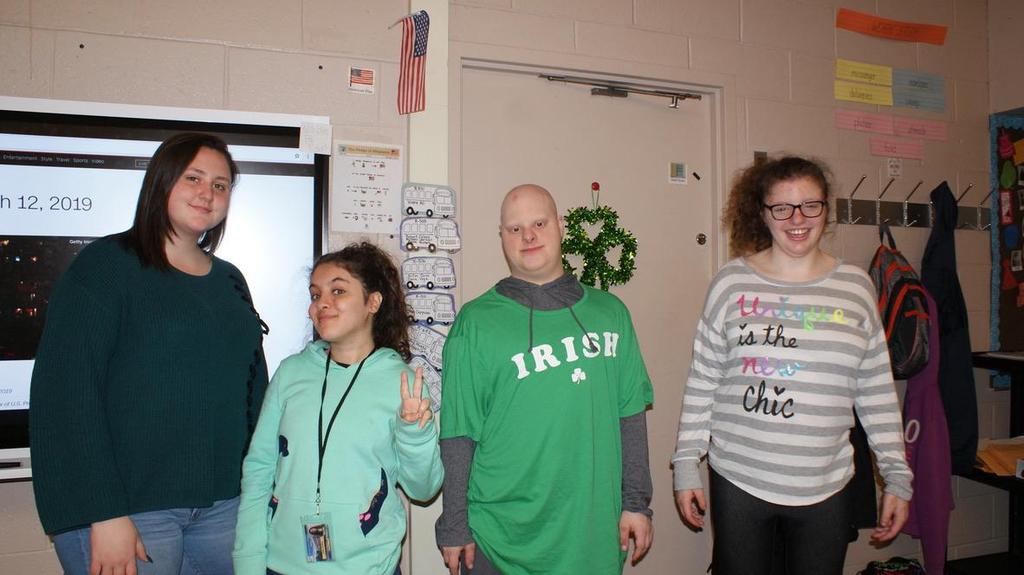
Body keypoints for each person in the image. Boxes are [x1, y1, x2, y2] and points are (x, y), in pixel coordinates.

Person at [30, 133, 270, 575]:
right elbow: (66, 396)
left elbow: (253, 392)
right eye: (193, 178)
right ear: (161, 181)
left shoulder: (230, 280)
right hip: (128, 510)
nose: (207, 193)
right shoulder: (104, 267)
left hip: (224, 506)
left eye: (220, 185)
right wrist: (103, 512)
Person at [671, 156, 913, 575]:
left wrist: (897, 477)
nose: (797, 219)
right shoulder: (731, 283)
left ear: (826, 209)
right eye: (782, 207)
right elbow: (703, 379)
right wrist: (686, 463)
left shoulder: (855, 288)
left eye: (809, 205)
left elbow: (875, 391)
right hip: (739, 477)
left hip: (826, 484)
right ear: (763, 213)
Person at [435, 184, 654, 574]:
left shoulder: (611, 314)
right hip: (497, 538)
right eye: (515, 228)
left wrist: (636, 502)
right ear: (502, 237)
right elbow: (457, 434)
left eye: (539, 223)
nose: (528, 236)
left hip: (591, 535)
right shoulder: (476, 323)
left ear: (560, 226)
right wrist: (454, 524)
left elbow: (631, 415)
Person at [232, 242, 443, 575]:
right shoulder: (291, 373)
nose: (321, 304)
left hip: (369, 567)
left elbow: (424, 489)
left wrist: (414, 433)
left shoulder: (402, 383)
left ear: (373, 302)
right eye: (315, 294)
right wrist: (247, 561)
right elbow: (259, 470)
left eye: (338, 291)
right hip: (282, 565)